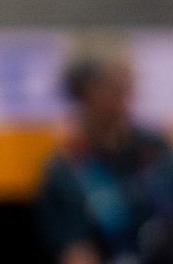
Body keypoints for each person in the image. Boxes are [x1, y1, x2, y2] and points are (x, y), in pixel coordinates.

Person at [36, 54, 173, 264]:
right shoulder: (67, 166)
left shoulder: (154, 149)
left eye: (125, 88)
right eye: (110, 89)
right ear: (85, 95)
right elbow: (74, 248)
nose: (122, 98)